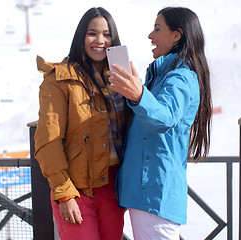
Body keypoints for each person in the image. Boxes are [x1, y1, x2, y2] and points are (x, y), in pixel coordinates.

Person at [108, 7, 212, 239]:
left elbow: (164, 117)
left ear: (177, 35)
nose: (150, 36)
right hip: (147, 191)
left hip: (154, 192)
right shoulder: (163, 75)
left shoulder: (181, 77)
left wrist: (138, 95)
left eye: (157, 29)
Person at [34, 7, 129, 240]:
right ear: (80, 37)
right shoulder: (59, 79)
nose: (100, 40)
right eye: (92, 33)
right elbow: (48, 140)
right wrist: (64, 194)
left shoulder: (121, 77)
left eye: (106, 34)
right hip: (77, 189)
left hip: (113, 188)